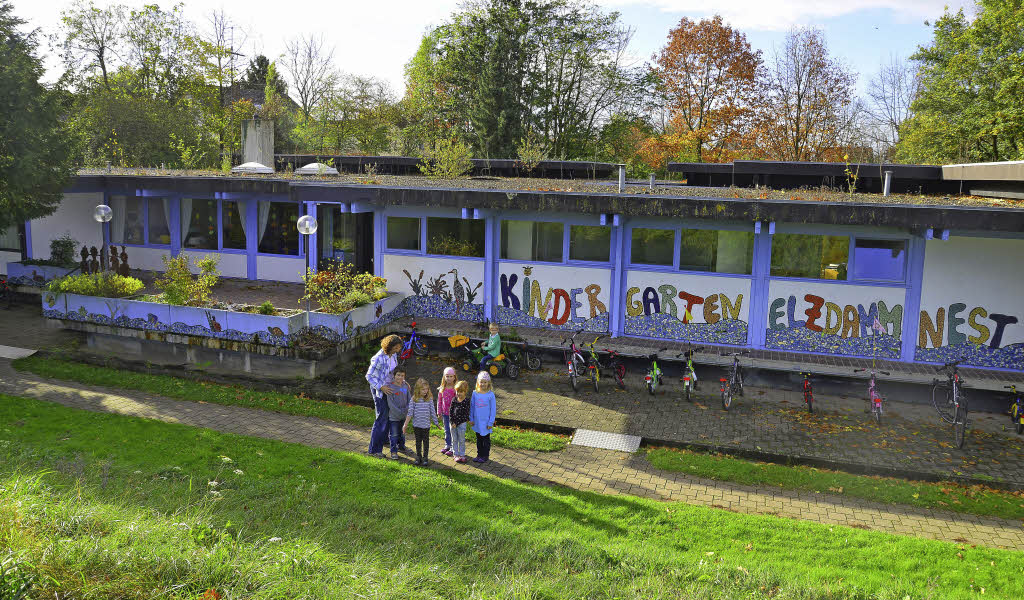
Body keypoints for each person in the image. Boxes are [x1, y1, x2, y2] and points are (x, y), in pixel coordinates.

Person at [365, 334, 403, 458]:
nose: (398, 350)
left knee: (389, 416)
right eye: (396, 348)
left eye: (399, 348)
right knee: (381, 418)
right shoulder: (378, 358)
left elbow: (393, 371)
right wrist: (381, 387)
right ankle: (374, 450)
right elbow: (369, 376)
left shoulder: (393, 355)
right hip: (380, 391)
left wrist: (401, 381)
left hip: (389, 389)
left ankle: (385, 440)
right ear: (390, 346)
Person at [404, 378, 437, 466]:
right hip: (417, 426)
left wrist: (436, 423)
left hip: (426, 426)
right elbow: (410, 412)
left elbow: (432, 411)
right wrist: (405, 425)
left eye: (427, 389)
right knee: (418, 441)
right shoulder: (414, 399)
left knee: (426, 442)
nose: (425, 391)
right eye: (423, 389)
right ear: (418, 389)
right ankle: (418, 456)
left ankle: (425, 457)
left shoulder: (429, 399)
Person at [469, 371, 496, 464]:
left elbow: (493, 410)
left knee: (486, 440)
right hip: (477, 422)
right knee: (479, 439)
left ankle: (485, 456)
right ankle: (479, 454)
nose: (483, 384)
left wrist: (490, 422)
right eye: (481, 382)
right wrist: (471, 418)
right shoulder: (475, 393)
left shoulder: (490, 395)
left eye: (485, 382)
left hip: (486, 423)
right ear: (478, 382)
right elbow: (472, 407)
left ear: (488, 383)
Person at [386, 367, 411, 460]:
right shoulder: (390, 388)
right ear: (394, 375)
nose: (400, 377)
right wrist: (399, 412)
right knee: (394, 434)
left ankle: (402, 446)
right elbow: (390, 404)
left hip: (404, 416)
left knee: (402, 433)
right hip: (394, 417)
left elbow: (409, 399)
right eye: (398, 375)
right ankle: (393, 451)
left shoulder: (405, 386)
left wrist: (406, 410)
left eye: (402, 375)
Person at [449, 380, 471, 463]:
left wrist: (457, 423)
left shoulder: (466, 401)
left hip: (461, 424)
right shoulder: (454, 399)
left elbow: (465, 415)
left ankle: (462, 454)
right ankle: (456, 454)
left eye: (461, 392)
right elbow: (450, 411)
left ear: (465, 391)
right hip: (453, 424)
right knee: (454, 440)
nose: (459, 393)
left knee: (461, 440)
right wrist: (452, 422)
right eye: (457, 391)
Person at [437, 367, 457, 456]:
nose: (449, 378)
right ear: (444, 377)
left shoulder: (456, 389)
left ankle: (453, 447)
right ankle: (447, 445)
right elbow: (439, 401)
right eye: (447, 376)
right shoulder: (442, 388)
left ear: (454, 377)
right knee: (447, 430)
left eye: (450, 376)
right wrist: (439, 411)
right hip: (445, 414)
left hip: (453, 415)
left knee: (453, 430)